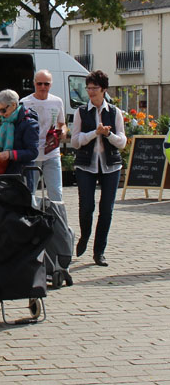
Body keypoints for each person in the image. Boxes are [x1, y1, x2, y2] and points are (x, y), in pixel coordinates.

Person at [71, 70, 126, 267]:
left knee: (106, 210)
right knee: (86, 207)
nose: (91, 92)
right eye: (88, 88)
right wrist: (94, 133)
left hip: (110, 165)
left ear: (103, 90)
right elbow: (75, 142)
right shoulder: (81, 112)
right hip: (86, 165)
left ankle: (99, 251)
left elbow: (122, 142)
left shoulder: (114, 112)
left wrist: (108, 135)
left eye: (95, 88)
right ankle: (84, 236)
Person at [21, 69, 68, 201]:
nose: (43, 87)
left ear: (51, 85)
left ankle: (57, 221)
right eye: (39, 84)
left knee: (56, 192)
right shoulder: (24, 102)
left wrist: (63, 131)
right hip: (32, 154)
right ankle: (30, 220)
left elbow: (62, 123)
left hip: (51, 152)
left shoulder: (57, 101)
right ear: (34, 84)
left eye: (46, 84)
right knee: (29, 193)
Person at [0, 89, 40, 188]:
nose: (1, 114)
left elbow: (33, 152)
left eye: (3, 110)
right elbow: (3, 147)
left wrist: (10, 154)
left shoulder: (29, 123)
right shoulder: (6, 123)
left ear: (13, 105)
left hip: (23, 177)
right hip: (6, 175)